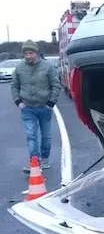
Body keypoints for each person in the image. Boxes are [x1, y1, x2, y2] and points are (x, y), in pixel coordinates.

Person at [11, 40, 61, 172]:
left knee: (46, 136)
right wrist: (18, 101)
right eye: (26, 53)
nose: (28, 56)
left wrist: (51, 103)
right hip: (27, 107)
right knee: (31, 135)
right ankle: (34, 161)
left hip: (44, 107)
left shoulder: (47, 67)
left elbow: (56, 85)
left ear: (36, 52)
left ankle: (45, 159)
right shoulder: (19, 68)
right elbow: (14, 85)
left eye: (31, 53)